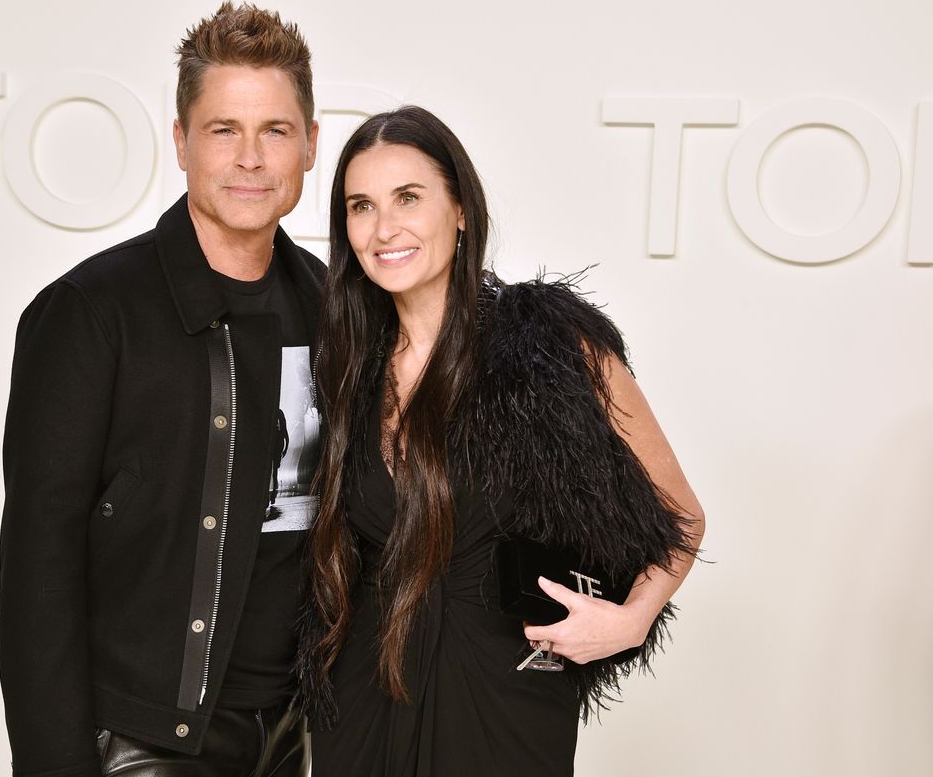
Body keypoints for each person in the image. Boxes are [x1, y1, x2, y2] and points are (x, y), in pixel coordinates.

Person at [296, 106, 706, 776]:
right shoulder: (349, 363)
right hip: (363, 701)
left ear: (459, 209)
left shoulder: (550, 346)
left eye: (408, 198)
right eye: (360, 206)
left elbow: (682, 517)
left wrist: (631, 621)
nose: (384, 227)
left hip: (502, 704)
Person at [0, 2, 323, 777]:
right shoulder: (89, 314)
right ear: (181, 143)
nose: (250, 157)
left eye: (274, 130)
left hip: (295, 736)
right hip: (146, 743)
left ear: (310, 145)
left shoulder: (335, 305)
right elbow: (39, 568)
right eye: (223, 130)